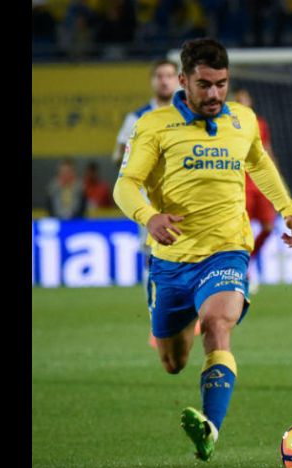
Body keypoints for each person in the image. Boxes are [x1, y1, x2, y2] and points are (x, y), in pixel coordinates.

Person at [113, 37, 292, 462]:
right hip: (170, 260)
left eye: (221, 84)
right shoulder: (153, 125)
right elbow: (125, 184)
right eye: (205, 85)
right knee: (173, 362)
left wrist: (287, 209)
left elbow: (258, 161)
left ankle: (210, 429)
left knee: (218, 323)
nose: (215, 94)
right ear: (183, 81)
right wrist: (149, 217)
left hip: (227, 250)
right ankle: (175, 330)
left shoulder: (244, 119)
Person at [113, 58, 180, 348]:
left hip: (183, 200)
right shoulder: (137, 118)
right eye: (159, 76)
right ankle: (157, 321)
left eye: (169, 75)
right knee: (154, 259)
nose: (164, 81)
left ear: (179, 80)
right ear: (152, 81)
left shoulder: (187, 115)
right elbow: (118, 156)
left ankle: (187, 316)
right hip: (149, 205)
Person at [233, 87, 278, 272]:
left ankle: (249, 260)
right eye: (239, 100)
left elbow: (267, 150)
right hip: (242, 185)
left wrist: (276, 176)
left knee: (268, 226)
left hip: (260, 184)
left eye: (246, 99)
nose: (243, 103)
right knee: (243, 231)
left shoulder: (260, 124)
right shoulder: (228, 126)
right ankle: (240, 268)